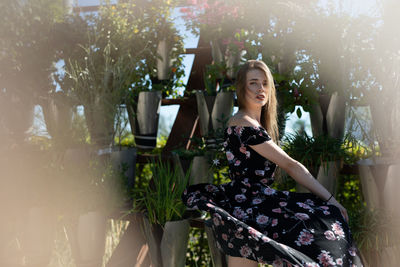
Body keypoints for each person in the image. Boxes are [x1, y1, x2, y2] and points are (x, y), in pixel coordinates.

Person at [182, 60, 363, 266]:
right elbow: (291, 165)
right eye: (253, 83)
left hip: (245, 206)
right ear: (241, 88)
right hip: (249, 207)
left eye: (265, 83)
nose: (261, 88)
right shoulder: (244, 123)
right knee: (326, 216)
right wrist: (332, 200)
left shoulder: (251, 123)